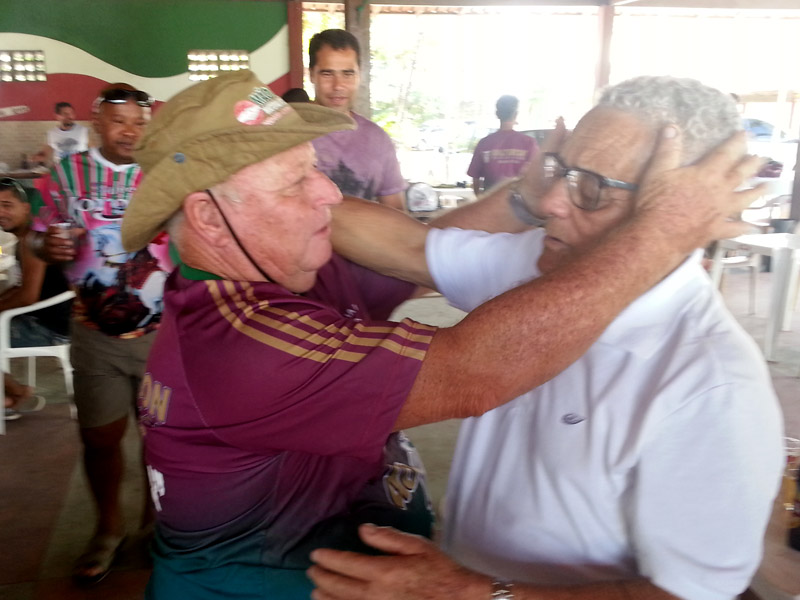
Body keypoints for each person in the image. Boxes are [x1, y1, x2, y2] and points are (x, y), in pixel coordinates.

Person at [119, 70, 756, 600]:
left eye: (588, 186)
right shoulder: (240, 343)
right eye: (293, 182)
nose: (329, 195)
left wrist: (525, 196)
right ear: (209, 218)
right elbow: (473, 371)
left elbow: (416, 249)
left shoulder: (711, 381)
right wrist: (663, 232)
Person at [307, 77, 784, 600]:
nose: (553, 202)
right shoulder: (539, 264)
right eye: (562, 171)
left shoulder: (712, 383)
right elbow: (408, 249)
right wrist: (277, 191)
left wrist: (473, 594)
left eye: (591, 190)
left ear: (678, 213)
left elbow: (692, 593)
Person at [31, 83, 172, 586]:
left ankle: (155, 524)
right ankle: (107, 529)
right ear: (98, 125)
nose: (130, 131)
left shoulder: (166, 171)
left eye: (139, 122)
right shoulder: (65, 174)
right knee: (99, 437)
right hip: (93, 331)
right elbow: (40, 237)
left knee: (160, 438)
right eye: (119, 121)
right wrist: (48, 247)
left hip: (161, 333)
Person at [308, 29, 406, 212]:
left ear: (359, 75)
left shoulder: (378, 140)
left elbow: (396, 213)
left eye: (348, 74)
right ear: (312, 75)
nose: (338, 85)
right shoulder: (286, 133)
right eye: (327, 74)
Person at [0, 177, 70, 420]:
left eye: (7, 205)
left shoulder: (33, 239)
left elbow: (28, 296)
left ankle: (15, 393)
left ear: (26, 208)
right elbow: (22, 288)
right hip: (48, 320)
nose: (1, 213)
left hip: (51, 328)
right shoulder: (28, 238)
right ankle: (9, 396)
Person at [467, 95, 537, 194]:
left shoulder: (484, 143)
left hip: (492, 200)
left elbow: (475, 179)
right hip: (520, 201)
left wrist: (480, 198)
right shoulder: (529, 142)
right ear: (516, 114)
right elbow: (536, 176)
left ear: (497, 114)